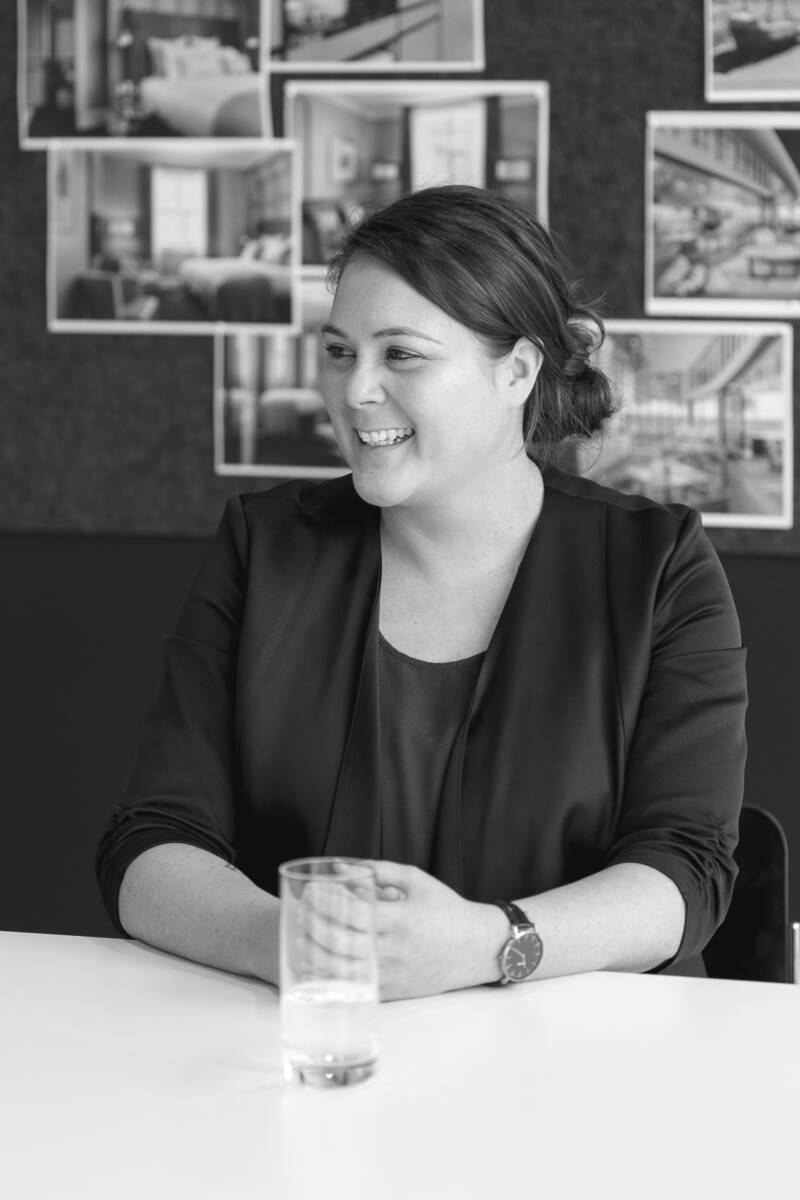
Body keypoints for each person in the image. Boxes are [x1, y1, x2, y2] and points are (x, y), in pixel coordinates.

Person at [95, 184, 747, 999]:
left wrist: (490, 944)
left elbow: (686, 867)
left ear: (517, 371)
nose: (354, 391)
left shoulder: (659, 567)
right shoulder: (265, 546)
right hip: (318, 1040)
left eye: (400, 354)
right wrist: (291, 943)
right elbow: (152, 839)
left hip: (580, 1056)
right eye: (340, 353)